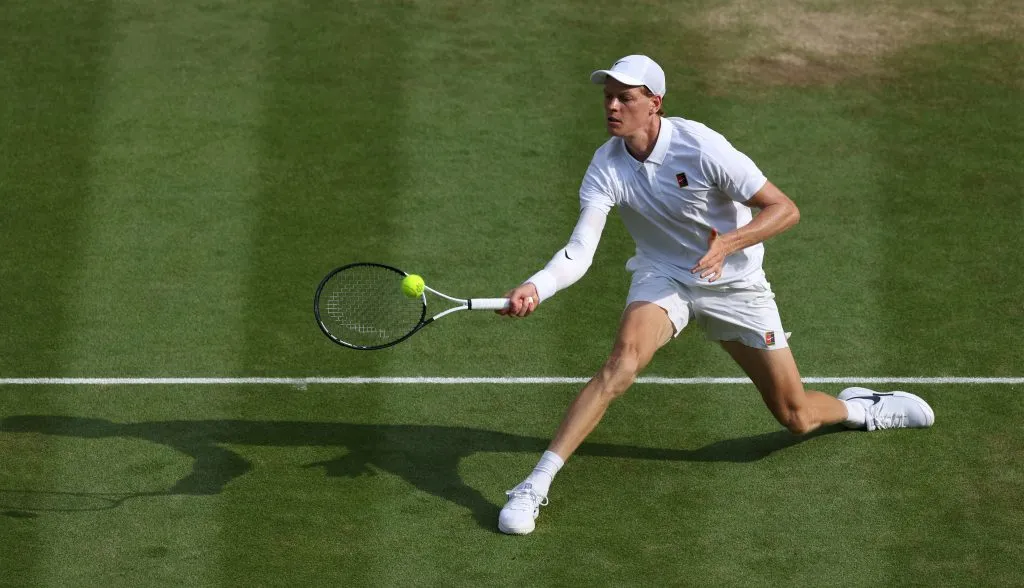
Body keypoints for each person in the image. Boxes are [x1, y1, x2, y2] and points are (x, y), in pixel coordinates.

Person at [495, 55, 935, 536]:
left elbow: (784, 209)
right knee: (620, 364)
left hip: (736, 284)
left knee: (795, 415)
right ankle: (534, 485)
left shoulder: (700, 146)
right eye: (608, 97)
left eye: (626, 97)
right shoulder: (606, 166)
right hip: (664, 276)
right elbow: (580, 252)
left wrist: (728, 243)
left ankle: (861, 410)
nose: (613, 107)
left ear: (655, 104)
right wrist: (537, 285)